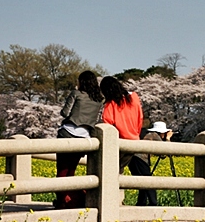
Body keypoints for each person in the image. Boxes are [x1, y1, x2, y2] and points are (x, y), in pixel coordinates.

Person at [54, 70, 104, 209]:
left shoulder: (76, 94)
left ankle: (62, 201)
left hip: (68, 133)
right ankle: (69, 200)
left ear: (81, 82)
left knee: (62, 171)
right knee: (71, 171)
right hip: (84, 137)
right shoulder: (99, 100)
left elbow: (65, 113)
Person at [100, 76, 144, 174]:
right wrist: (136, 133)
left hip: (120, 142)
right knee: (119, 168)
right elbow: (140, 118)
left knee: (112, 170)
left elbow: (107, 123)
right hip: (134, 140)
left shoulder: (111, 103)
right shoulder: (134, 97)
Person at [129, 121, 173, 206]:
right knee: (149, 182)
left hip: (133, 159)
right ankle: (153, 203)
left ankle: (141, 203)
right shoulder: (155, 135)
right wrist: (168, 139)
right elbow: (164, 153)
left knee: (143, 182)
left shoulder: (149, 134)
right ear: (162, 132)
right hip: (140, 159)